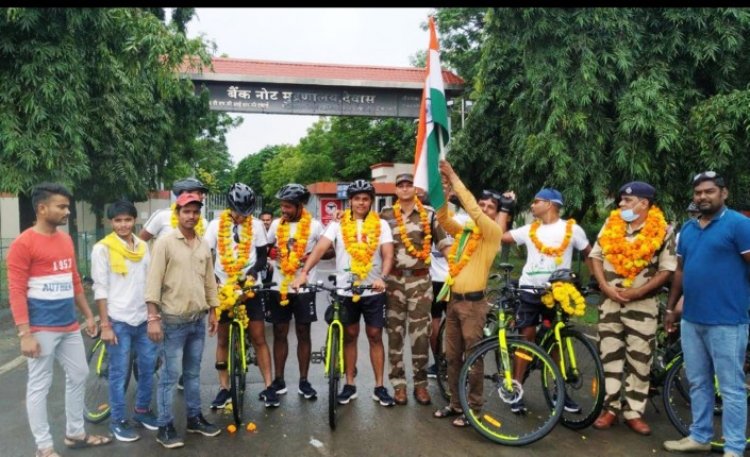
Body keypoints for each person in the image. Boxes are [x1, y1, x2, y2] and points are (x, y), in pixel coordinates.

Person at [7, 182, 112, 457]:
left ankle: (75, 433)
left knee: (79, 373)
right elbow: (16, 291)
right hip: (40, 327)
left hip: (68, 325)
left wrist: (89, 316)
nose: (67, 211)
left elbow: (74, 281)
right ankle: (43, 447)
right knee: (39, 385)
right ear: (42, 208)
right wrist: (24, 333)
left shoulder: (65, 240)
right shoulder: (23, 243)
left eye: (67, 206)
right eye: (61, 206)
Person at [663, 172, 750, 457]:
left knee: (731, 388)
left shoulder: (740, 225)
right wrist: (670, 309)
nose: (702, 196)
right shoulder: (688, 230)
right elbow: (680, 271)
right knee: (698, 381)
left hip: (728, 321)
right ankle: (700, 436)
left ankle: (735, 448)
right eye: (698, 192)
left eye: (709, 191)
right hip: (692, 319)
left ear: (723, 193)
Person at [291, 179, 396, 407]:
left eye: (365, 199)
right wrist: (304, 273)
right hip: (345, 290)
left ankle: (379, 386)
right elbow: (320, 248)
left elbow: (388, 254)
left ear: (371, 201)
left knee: (376, 336)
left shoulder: (382, 225)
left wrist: (383, 277)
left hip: (372, 290)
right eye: (357, 198)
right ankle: (350, 384)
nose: (361, 203)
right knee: (350, 336)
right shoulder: (337, 225)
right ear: (350, 201)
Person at [589, 181, 676, 436]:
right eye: (622, 200)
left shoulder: (664, 230)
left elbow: (667, 269)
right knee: (609, 355)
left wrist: (638, 291)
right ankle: (610, 408)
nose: (621, 205)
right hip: (609, 303)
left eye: (627, 201)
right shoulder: (611, 224)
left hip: (643, 305)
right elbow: (595, 256)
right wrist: (604, 286)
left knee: (640, 360)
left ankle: (634, 412)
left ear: (644, 204)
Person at [432, 161, 511, 428]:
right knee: (452, 357)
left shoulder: (492, 233)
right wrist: (443, 193)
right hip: (454, 303)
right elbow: (443, 219)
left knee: (473, 358)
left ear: (497, 213)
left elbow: (474, 211)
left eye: (491, 207)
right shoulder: (467, 233)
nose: (485, 210)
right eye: (484, 205)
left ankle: (474, 409)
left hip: (475, 306)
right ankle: (456, 403)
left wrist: (454, 176)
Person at [500, 188, 592, 413]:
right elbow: (501, 235)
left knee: (557, 342)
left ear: (551, 204)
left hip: (558, 293)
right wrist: (504, 207)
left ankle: (559, 392)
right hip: (529, 291)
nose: (532, 206)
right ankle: (516, 389)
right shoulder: (530, 229)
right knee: (526, 339)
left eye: (536, 202)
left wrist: (597, 283)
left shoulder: (572, 229)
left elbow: (590, 254)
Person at [145, 192, 221, 449]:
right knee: (169, 375)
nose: (191, 216)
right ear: (177, 214)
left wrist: (214, 310)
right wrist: (153, 318)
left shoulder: (202, 244)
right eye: (186, 211)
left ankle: (193, 418)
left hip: (197, 321)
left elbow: (210, 280)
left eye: (195, 211)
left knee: (192, 374)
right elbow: (153, 281)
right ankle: (164, 425)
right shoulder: (165, 243)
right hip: (172, 320)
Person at [203, 183, 276, 409]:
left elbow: (263, 257)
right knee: (223, 339)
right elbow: (205, 256)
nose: (242, 216)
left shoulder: (256, 225)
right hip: (223, 288)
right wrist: (211, 281)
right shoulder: (215, 226)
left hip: (249, 288)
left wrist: (254, 273)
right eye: (238, 211)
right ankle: (224, 389)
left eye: (247, 212)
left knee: (259, 337)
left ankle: (269, 386)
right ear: (230, 206)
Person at [380, 173, 450, 406]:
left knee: (420, 335)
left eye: (409, 184)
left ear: (416, 189)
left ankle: (421, 385)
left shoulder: (429, 215)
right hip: (394, 283)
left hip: (420, 282)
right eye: (401, 185)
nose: (405, 188)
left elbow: (444, 245)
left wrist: (458, 270)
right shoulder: (385, 216)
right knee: (394, 335)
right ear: (396, 190)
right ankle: (398, 385)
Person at [91, 200, 158, 441]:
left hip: (142, 319)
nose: (123, 224)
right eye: (118, 220)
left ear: (134, 220)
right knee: (119, 374)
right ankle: (118, 420)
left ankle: (142, 410)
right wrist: (105, 325)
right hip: (118, 320)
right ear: (111, 222)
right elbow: (100, 289)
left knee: (148, 368)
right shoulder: (102, 248)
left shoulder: (142, 246)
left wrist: (153, 316)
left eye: (127, 220)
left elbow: (150, 282)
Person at [264, 184, 325, 400]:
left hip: (305, 287)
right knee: (280, 333)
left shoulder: (315, 226)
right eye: (282, 206)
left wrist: (309, 256)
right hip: (280, 286)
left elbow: (328, 251)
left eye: (288, 206)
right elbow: (266, 249)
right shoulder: (275, 225)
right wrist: (274, 254)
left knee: (303, 333)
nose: (284, 210)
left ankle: (304, 381)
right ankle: (279, 381)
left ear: (301, 206)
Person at [139, 177, 209, 242]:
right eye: (199, 193)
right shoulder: (162, 215)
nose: (203, 196)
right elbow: (141, 240)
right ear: (185, 194)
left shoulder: (203, 223)